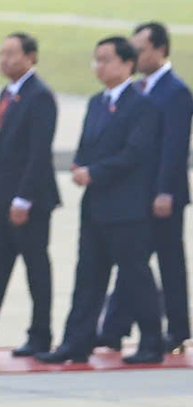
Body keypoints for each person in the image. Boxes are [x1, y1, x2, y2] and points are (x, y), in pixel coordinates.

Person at [39, 37, 165, 366]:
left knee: (135, 276)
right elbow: (86, 144)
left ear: (127, 64)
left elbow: (134, 154)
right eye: (97, 60)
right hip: (95, 206)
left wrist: (94, 172)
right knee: (88, 277)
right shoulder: (97, 102)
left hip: (126, 209)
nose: (100, 66)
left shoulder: (143, 105)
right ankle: (75, 343)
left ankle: (152, 341)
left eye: (106, 60)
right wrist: (82, 165)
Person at [101, 22, 192, 353]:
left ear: (160, 50)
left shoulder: (176, 91)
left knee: (168, 263)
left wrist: (165, 191)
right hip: (138, 195)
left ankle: (178, 329)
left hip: (163, 195)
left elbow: (174, 146)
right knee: (133, 261)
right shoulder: (139, 89)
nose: (136, 56)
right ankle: (114, 328)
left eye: (141, 50)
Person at [0, 33, 60, 358]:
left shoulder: (40, 96)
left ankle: (40, 336)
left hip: (28, 203)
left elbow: (38, 154)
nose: (4, 60)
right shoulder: (7, 93)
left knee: (36, 270)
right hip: (3, 202)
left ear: (31, 57)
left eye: (12, 54)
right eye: (1, 54)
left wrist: (23, 199)